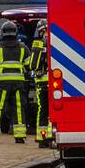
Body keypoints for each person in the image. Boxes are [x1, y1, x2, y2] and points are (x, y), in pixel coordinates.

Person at [0, 21, 30, 144]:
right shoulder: (23, 48)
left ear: (3, 33)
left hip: (1, 84)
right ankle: (20, 136)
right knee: (19, 108)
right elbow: (30, 66)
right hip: (19, 83)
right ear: (15, 33)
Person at [28, 20, 52, 148]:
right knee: (52, 110)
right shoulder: (57, 39)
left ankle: (42, 138)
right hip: (54, 82)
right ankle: (51, 135)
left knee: (42, 110)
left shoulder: (38, 42)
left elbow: (33, 64)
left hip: (42, 82)